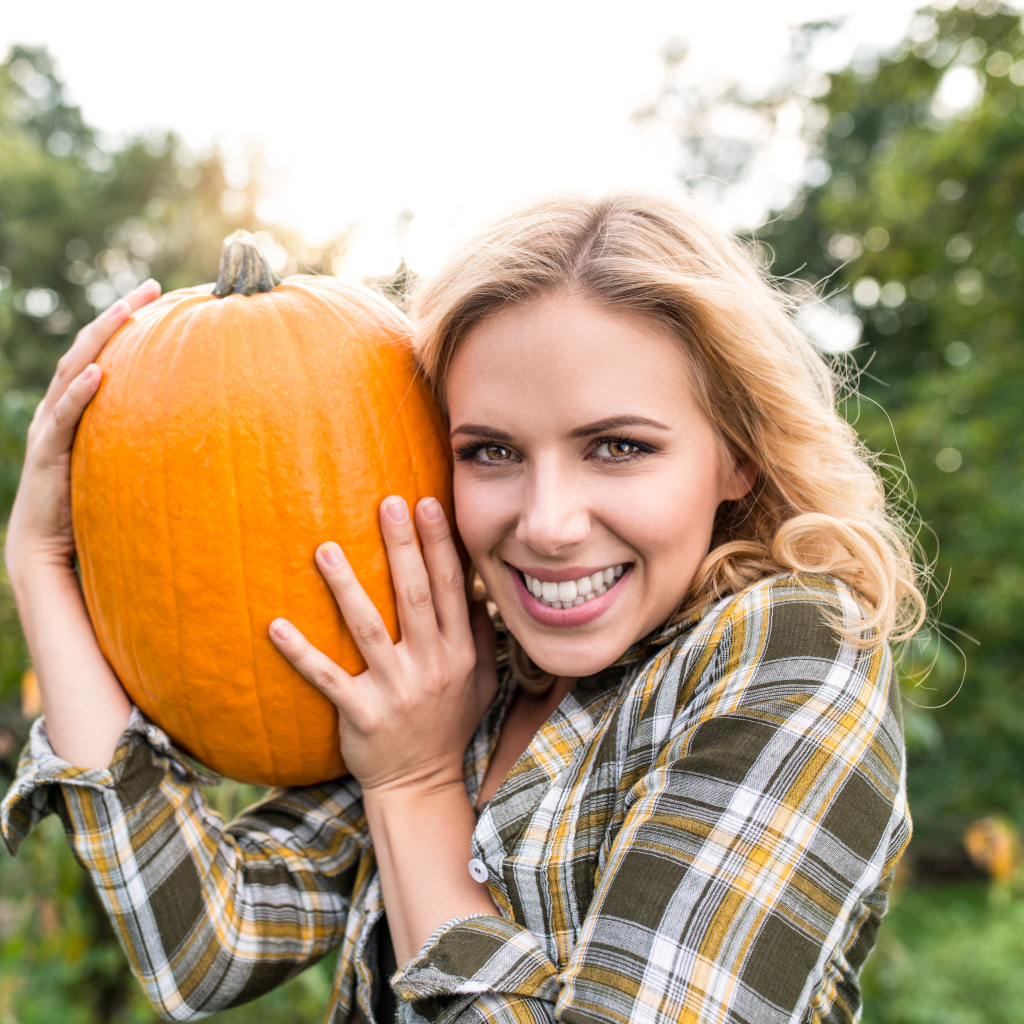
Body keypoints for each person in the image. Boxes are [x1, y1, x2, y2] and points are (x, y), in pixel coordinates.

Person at [1, 189, 922, 1024]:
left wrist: (415, 786)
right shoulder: (470, 670)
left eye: (618, 447)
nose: (548, 524)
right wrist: (41, 563)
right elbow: (204, 948)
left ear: (739, 454)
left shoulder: (793, 650)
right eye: (491, 452)